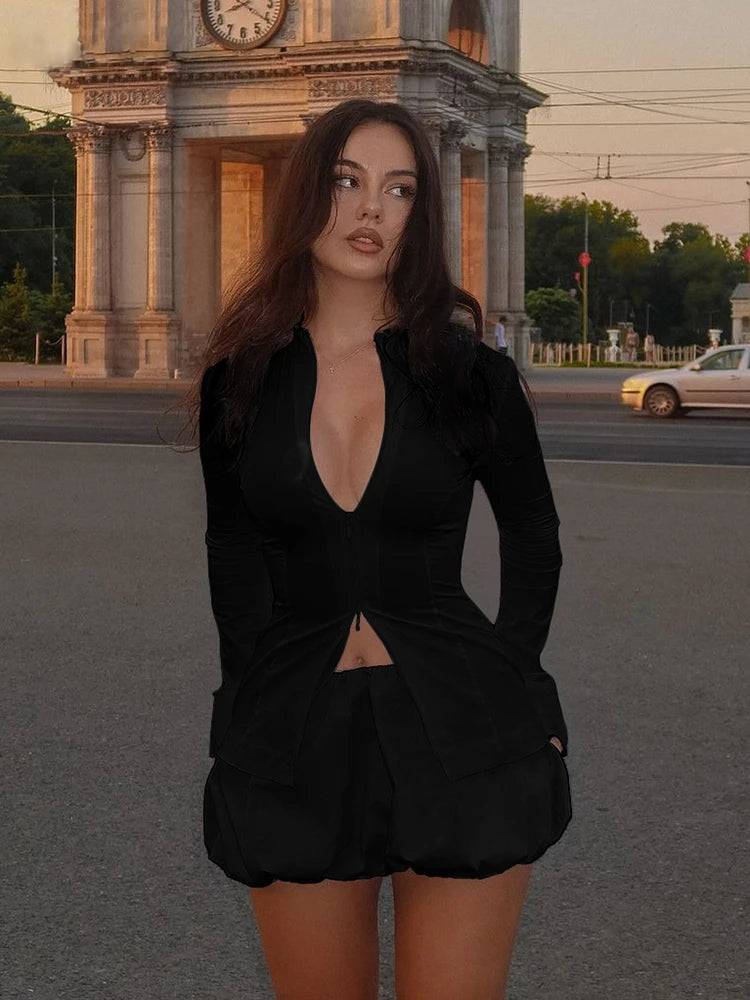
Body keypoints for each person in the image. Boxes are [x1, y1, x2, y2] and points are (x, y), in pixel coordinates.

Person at [187, 99, 572, 999]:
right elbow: (233, 549)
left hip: (462, 723)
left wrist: (524, 681)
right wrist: (241, 704)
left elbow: (534, 535)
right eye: (346, 181)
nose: (371, 209)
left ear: (419, 216)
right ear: (304, 196)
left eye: (399, 191)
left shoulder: (472, 375)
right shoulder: (239, 381)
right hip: (296, 730)